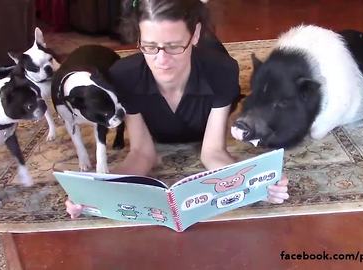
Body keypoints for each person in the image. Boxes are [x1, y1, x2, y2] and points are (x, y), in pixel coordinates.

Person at [66, 0, 289, 218]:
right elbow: (142, 154)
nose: (161, 60)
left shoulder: (222, 70)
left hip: (208, 64)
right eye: (150, 47)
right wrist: (92, 193)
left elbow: (212, 152)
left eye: (173, 46)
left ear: (195, 35)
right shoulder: (125, 75)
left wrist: (259, 185)